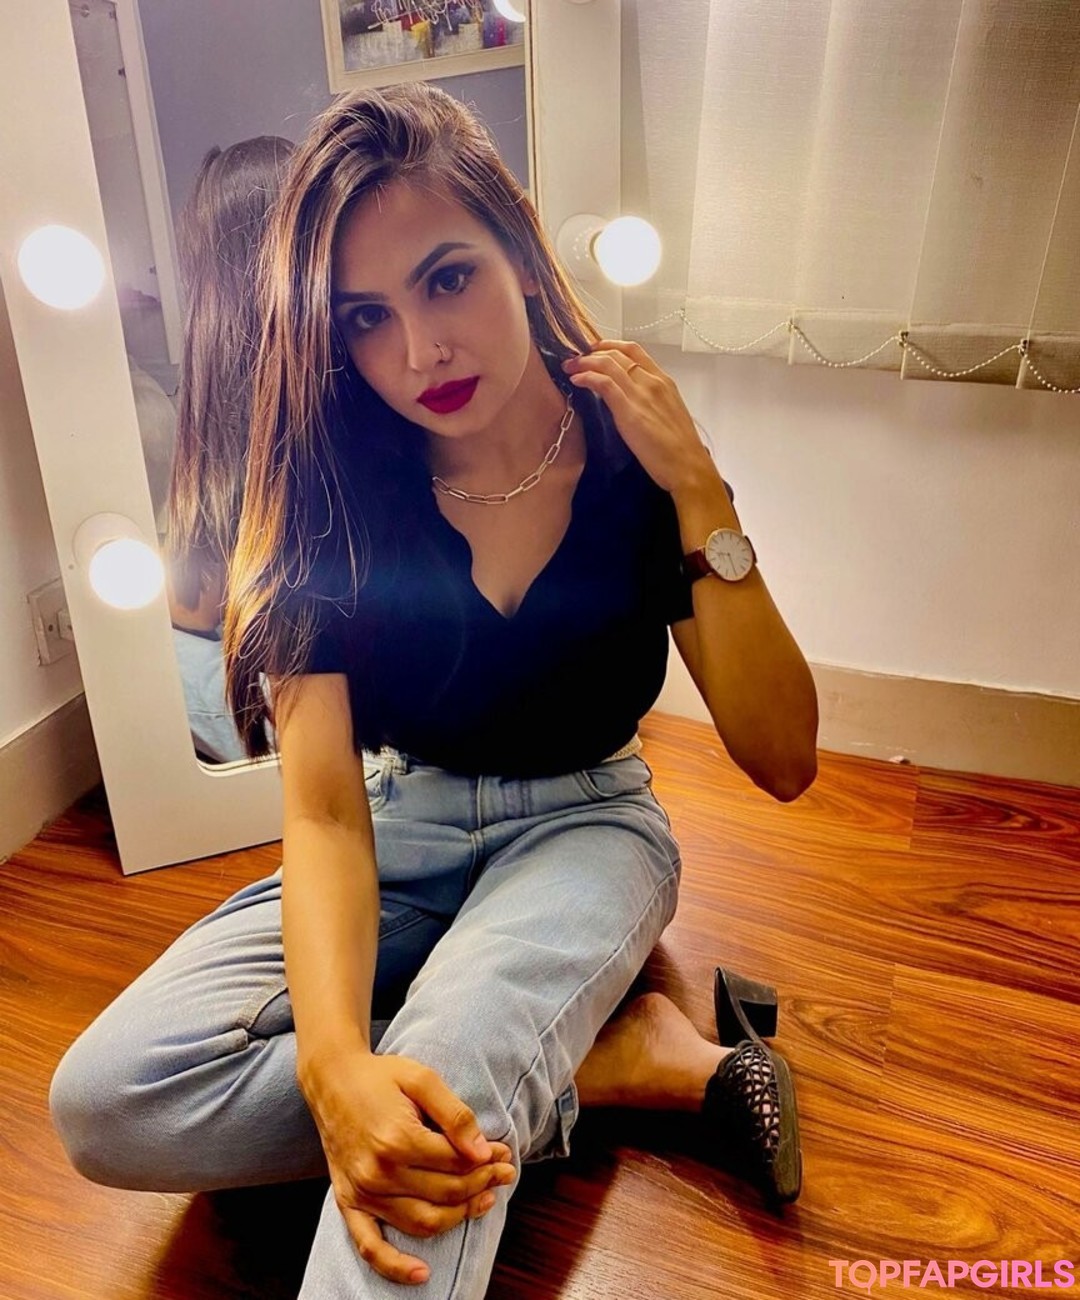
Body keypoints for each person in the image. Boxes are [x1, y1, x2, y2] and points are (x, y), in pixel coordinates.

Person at [50, 83, 819, 1297]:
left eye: (447, 279)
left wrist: (701, 490)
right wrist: (334, 1069)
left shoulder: (629, 450)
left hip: (588, 822)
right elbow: (321, 814)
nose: (421, 353)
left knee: (447, 1066)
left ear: (517, 250)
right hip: (394, 826)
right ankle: (600, 1063)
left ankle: (486, 1061)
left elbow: (784, 757)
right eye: (367, 316)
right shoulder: (325, 482)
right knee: (110, 1099)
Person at [165, 135, 295, 762]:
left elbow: (190, 611)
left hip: (334, 707)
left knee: (154, 658)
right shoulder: (365, 350)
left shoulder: (214, 399)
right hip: (364, 698)